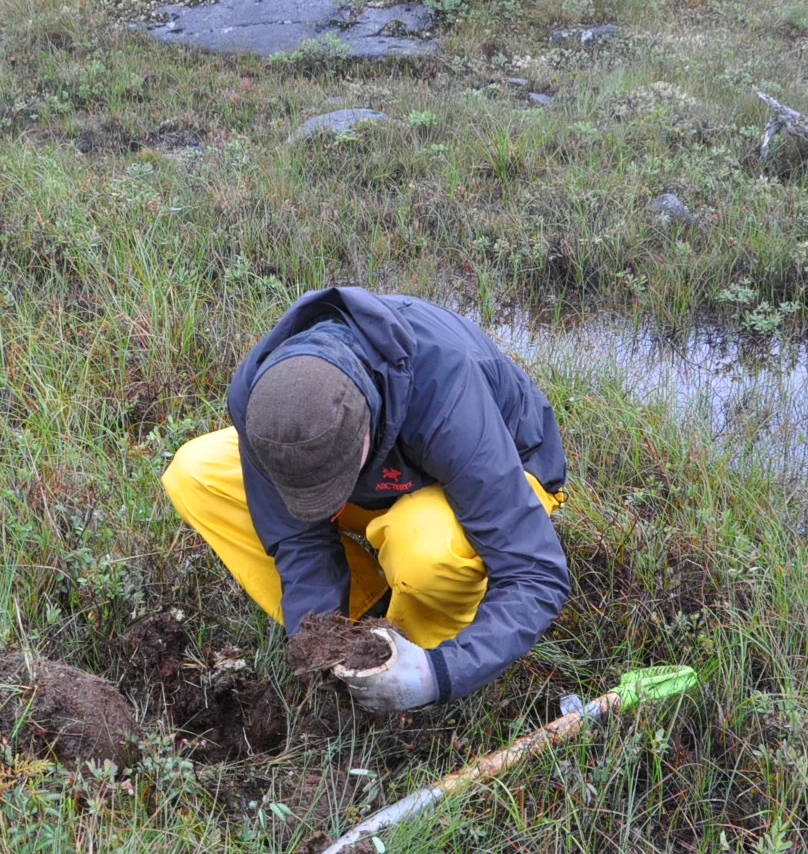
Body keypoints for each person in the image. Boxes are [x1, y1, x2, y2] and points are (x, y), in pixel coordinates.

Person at [162, 287, 571, 712]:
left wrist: (441, 674)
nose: (325, 506)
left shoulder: (446, 394)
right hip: (387, 476)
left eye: (331, 486)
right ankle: (366, 622)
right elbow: (299, 540)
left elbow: (535, 573)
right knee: (198, 470)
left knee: (425, 546)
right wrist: (321, 642)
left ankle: (416, 661)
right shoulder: (259, 395)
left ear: (366, 437)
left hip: (505, 467)